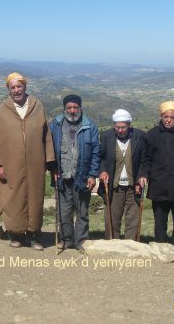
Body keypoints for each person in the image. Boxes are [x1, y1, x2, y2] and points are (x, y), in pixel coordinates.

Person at [0, 72, 55, 251]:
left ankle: (34, 236)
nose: (16, 90)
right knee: (13, 198)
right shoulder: (2, 109)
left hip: (35, 163)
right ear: (8, 90)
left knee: (35, 198)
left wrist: (49, 160)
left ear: (25, 86)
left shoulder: (37, 106)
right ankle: (16, 234)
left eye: (19, 86)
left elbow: (46, 134)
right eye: (13, 87)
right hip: (11, 163)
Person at [138, 101, 174, 249]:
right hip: (159, 186)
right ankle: (161, 250)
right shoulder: (151, 135)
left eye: (172, 117)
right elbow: (147, 160)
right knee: (160, 224)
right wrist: (144, 174)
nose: (168, 120)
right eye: (165, 116)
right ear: (161, 116)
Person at [49, 94, 100, 253]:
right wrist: (52, 169)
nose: (72, 111)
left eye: (75, 107)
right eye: (69, 108)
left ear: (80, 108)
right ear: (64, 109)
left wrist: (92, 175)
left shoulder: (89, 125)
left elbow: (96, 152)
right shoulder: (56, 124)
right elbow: (49, 149)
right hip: (62, 176)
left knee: (82, 212)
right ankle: (66, 240)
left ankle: (81, 241)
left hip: (82, 176)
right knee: (64, 212)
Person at [98, 109, 146, 240]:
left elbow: (144, 159)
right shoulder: (106, 136)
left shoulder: (140, 136)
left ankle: (131, 246)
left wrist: (142, 176)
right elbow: (100, 157)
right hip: (114, 185)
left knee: (133, 219)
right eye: (117, 127)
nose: (120, 130)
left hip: (133, 185)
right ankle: (112, 245)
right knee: (112, 218)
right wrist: (102, 171)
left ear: (129, 125)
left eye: (123, 127)